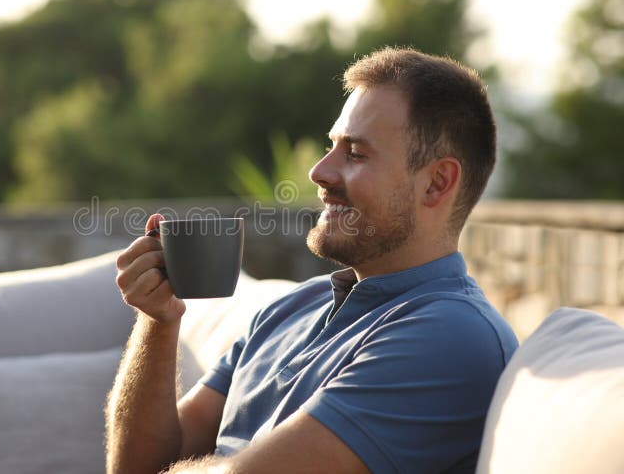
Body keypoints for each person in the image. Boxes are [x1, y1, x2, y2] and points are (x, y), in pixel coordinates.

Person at [108, 47, 519, 474]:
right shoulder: (291, 309)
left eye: (356, 153)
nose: (319, 172)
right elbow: (133, 466)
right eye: (332, 146)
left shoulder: (451, 335)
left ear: (437, 183)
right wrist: (158, 320)